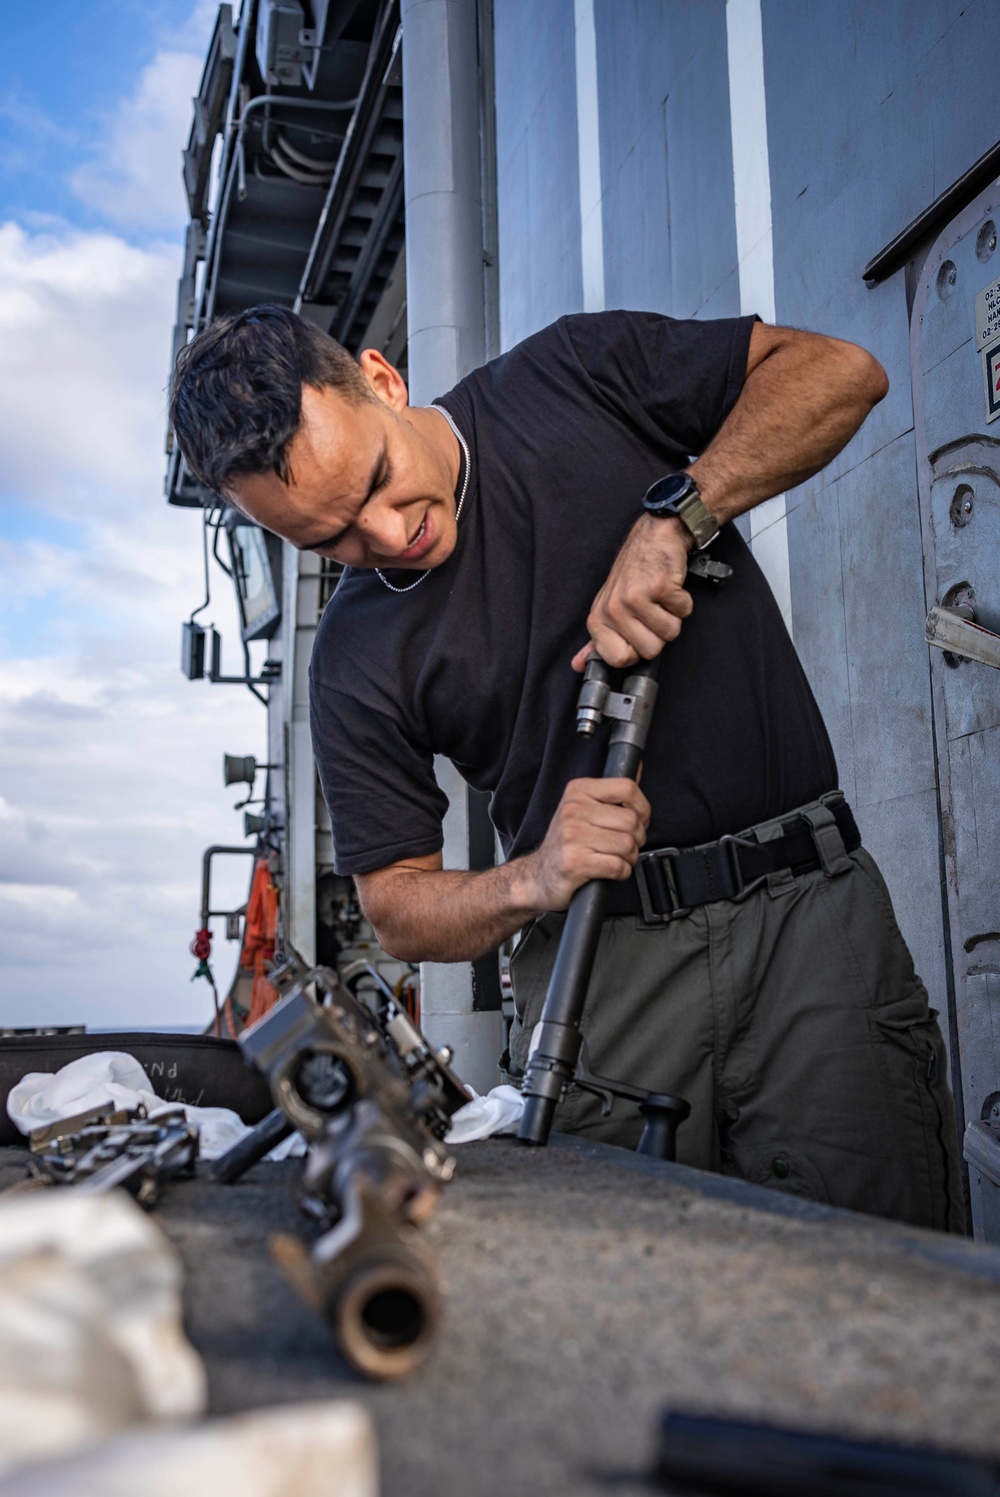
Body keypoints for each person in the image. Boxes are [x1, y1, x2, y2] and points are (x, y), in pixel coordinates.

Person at [170, 304, 964, 1231]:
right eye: (331, 538)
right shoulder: (352, 656)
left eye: (378, 481)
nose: (386, 538)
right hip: (600, 970)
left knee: (886, 1275)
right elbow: (396, 901)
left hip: (807, 933)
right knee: (621, 1289)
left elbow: (840, 373)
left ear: (383, 382)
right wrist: (532, 877)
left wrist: (677, 516)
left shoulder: (572, 373)